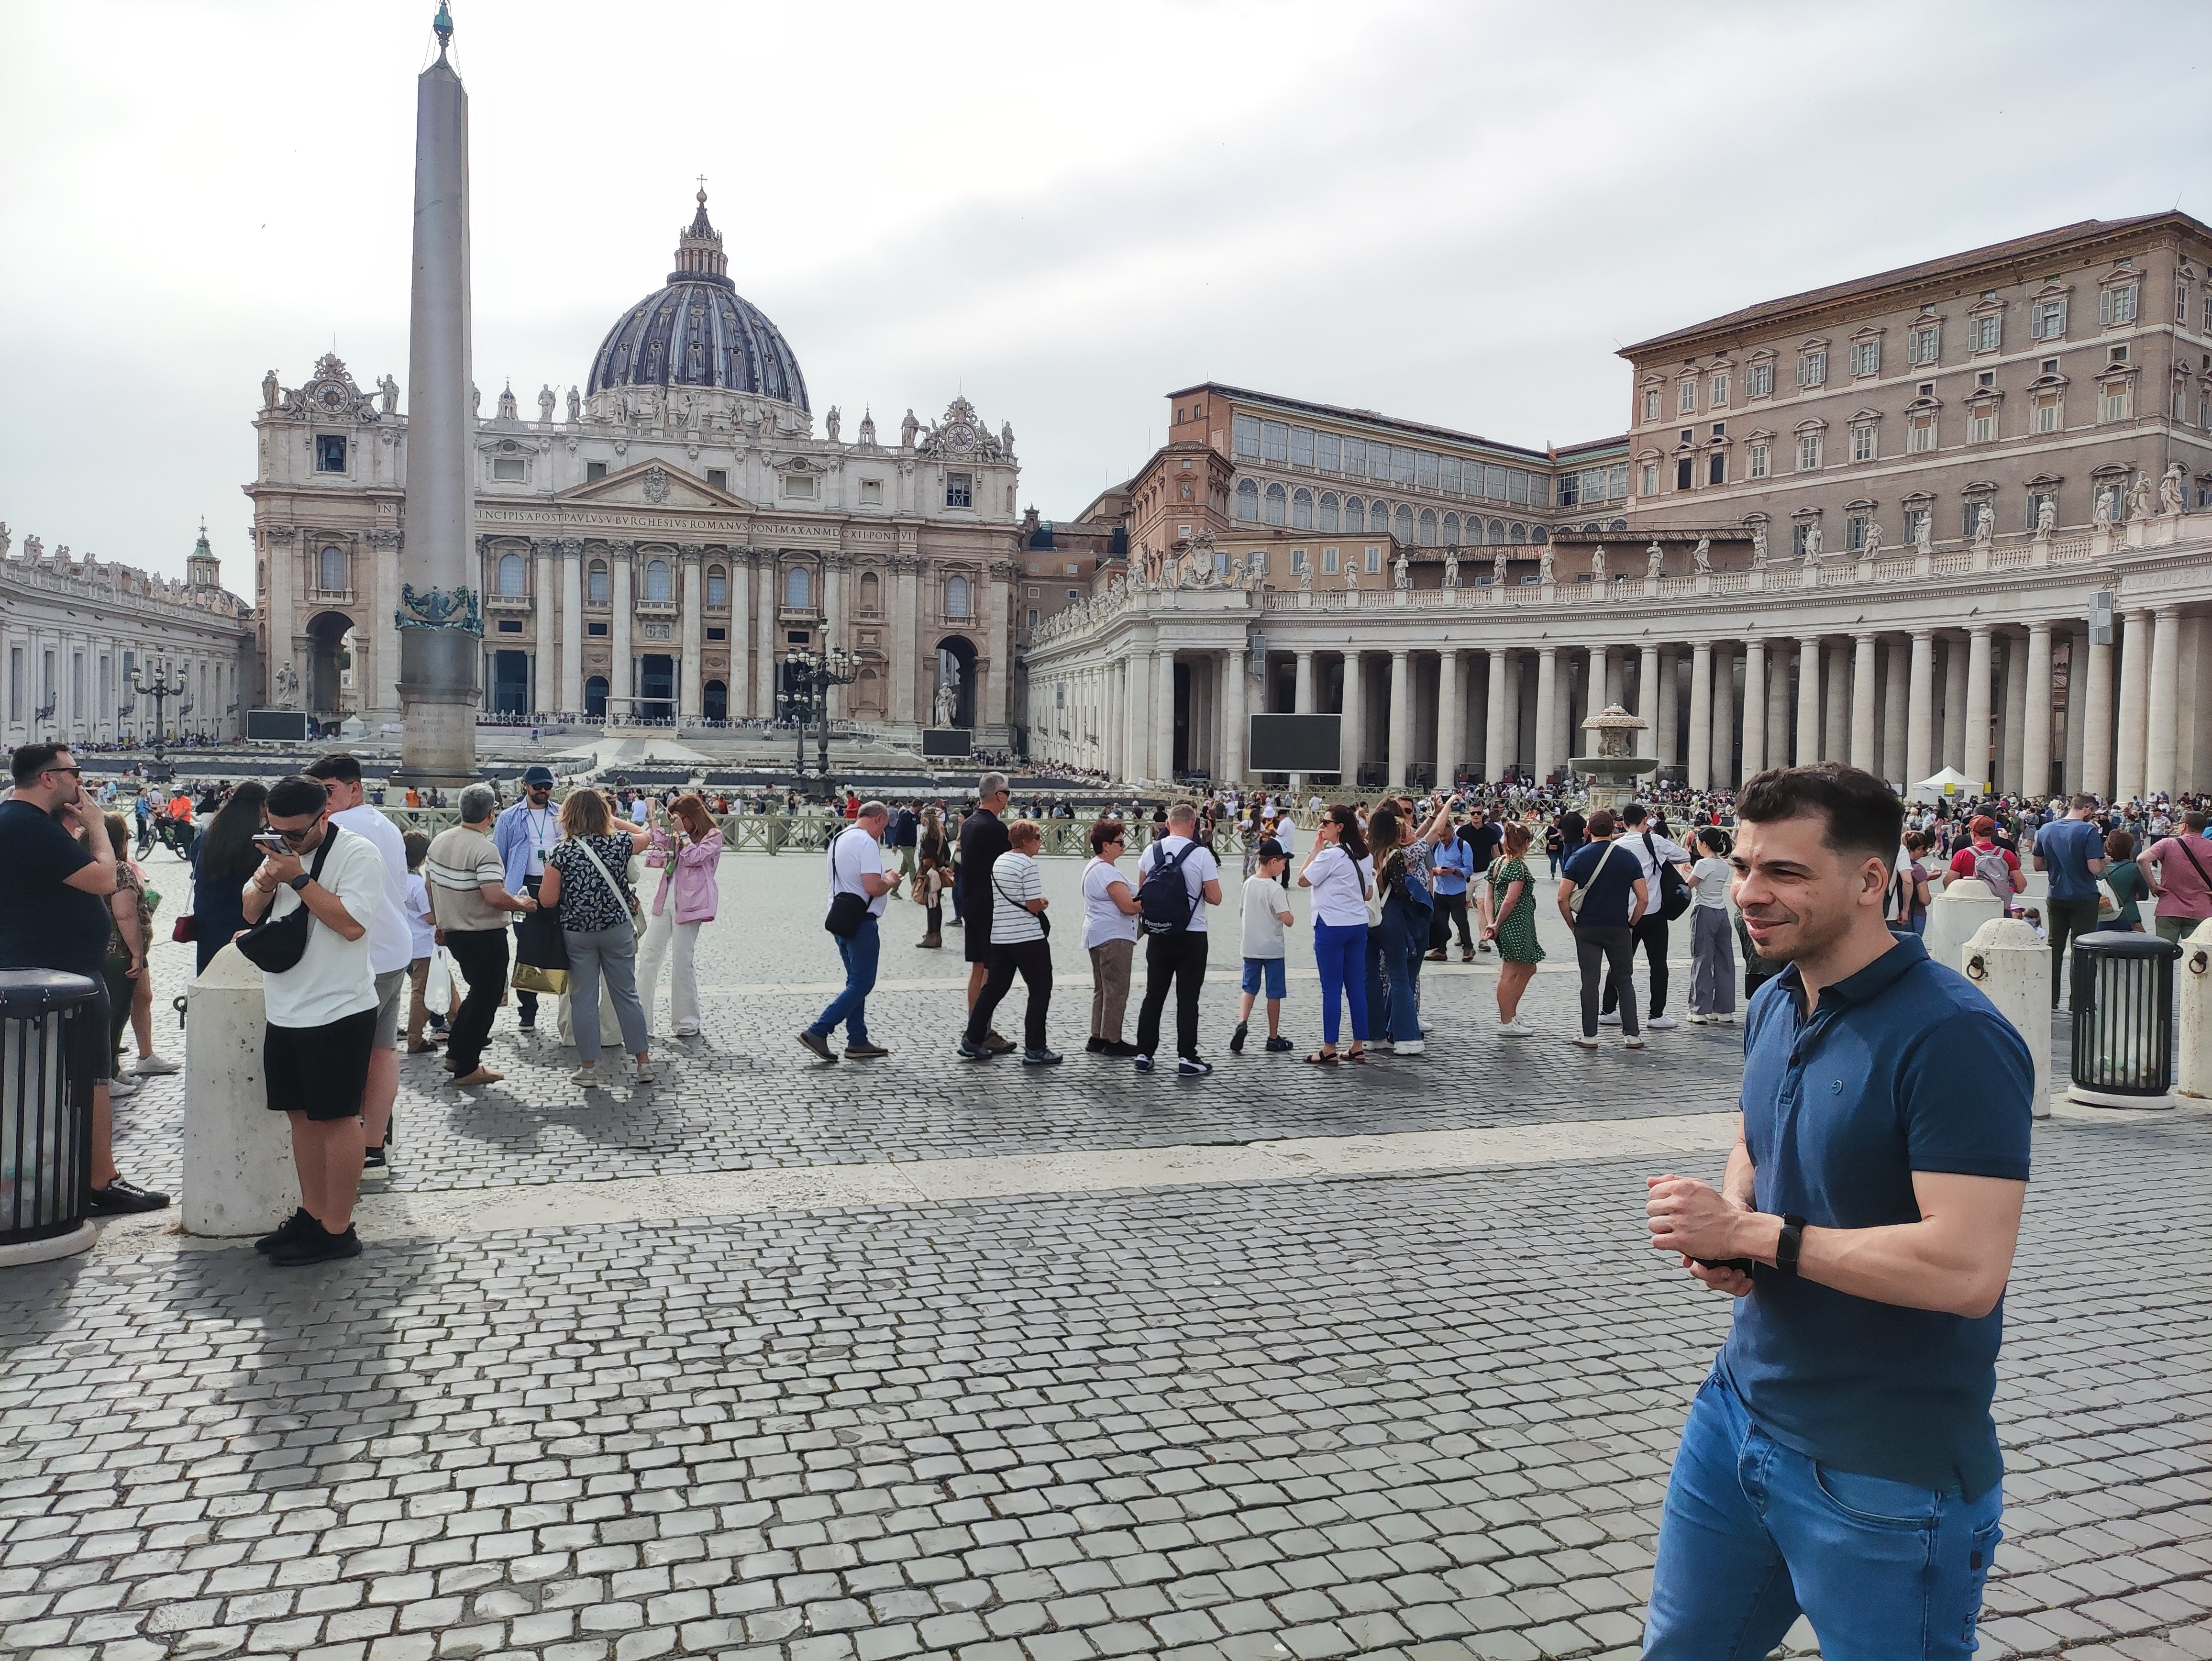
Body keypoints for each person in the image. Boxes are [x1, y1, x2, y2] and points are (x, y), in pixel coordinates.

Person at [1640, 763, 2032, 1660]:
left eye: (1783, 872)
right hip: (1735, 1416)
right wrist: (1734, 1209)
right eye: (1741, 866)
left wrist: (1750, 1234)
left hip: (1882, 1469)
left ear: (1868, 881)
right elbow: (1755, 1129)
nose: (1748, 892)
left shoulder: (1953, 1036)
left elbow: (1966, 1269)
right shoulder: (1775, 999)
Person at [0, 744, 167, 1214]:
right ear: (49, 778)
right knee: (92, 1077)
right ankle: (100, 1180)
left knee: (69, 1077)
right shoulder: (25, 824)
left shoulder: (21, 823)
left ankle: (76, 1174)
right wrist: (96, 826)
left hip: (43, 967)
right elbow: (102, 879)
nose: (82, 782)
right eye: (74, 772)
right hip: (61, 973)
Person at [240, 774, 391, 1264]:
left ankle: (338, 1228)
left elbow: (350, 924)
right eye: (276, 831)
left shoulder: (358, 854)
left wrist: (300, 878)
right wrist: (267, 879)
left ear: (324, 817)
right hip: (285, 1004)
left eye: (297, 834)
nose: (287, 841)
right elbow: (248, 913)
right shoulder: (278, 853)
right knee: (300, 1116)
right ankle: (312, 1213)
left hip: (339, 1005)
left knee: (338, 1117)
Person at [303, 754, 413, 1166]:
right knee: (383, 1051)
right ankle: (373, 1141)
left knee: (348, 1055)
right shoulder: (387, 825)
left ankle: (344, 1140)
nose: (323, 802)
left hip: (359, 953)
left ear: (355, 788)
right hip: (394, 948)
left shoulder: (335, 829)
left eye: (328, 792)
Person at [538, 787, 656, 1087]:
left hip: (578, 932)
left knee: (584, 1000)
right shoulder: (619, 844)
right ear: (604, 815)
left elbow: (548, 900)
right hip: (616, 929)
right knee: (626, 995)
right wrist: (614, 819)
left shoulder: (560, 852)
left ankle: (588, 1069)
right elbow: (646, 835)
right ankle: (643, 1065)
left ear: (568, 816)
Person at [426, 785, 539, 1088]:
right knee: (485, 1000)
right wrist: (523, 904)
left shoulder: (439, 840)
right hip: (482, 933)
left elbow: (430, 887)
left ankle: (456, 1052)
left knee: (477, 994)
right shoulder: (484, 848)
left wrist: (438, 920)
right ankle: (467, 1066)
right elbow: (494, 896)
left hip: (454, 931)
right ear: (491, 814)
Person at [1130, 799, 1224, 1075]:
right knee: (1188, 998)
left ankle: (1144, 1053)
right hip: (1192, 934)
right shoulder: (1202, 854)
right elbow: (1216, 898)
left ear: (1168, 824)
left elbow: (1142, 889)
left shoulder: (1151, 851)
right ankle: (1187, 1057)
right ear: (1194, 824)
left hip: (1158, 932)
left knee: (1153, 995)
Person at [800, 801, 897, 1062]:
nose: (883, 834)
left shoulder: (840, 838)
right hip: (861, 922)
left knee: (854, 982)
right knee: (863, 983)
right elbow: (873, 887)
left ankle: (857, 1040)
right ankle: (819, 1030)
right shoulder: (866, 843)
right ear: (877, 819)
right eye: (884, 827)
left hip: (840, 917)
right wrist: (891, 880)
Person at [961, 819, 1057, 1064]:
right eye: (1037, 838)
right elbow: (1033, 904)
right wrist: (1044, 903)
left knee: (993, 989)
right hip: (1027, 938)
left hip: (1001, 936)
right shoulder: (1028, 865)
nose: (1040, 843)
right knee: (1039, 991)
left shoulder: (1000, 860)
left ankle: (972, 1040)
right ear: (1026, 841)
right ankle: (1036, 1049)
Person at [1365, 797, 1453, 1055]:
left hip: (1366, 918)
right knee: (1400, 976)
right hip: (1391, 916)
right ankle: (1406, 1037)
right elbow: (1435, 833)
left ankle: (1373, 1035)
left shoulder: (1364, 854)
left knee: (1369, 977)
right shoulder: (1399, 855)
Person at [1559, 808, 1649, 1051]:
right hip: (1619, 927)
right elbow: (1643, 898)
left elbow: (1562, 898)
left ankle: (1589, 1036)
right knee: (1624, 981)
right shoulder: (1628, 858)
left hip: (1587, 928)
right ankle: (1632, 1035)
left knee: (1589, 982)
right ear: (1614, 829)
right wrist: (1632, 923)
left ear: (1588, 830)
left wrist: (1573, 925)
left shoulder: (1578, 857)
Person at [636, 794, 723, 1037]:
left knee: (682, 962)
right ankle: (641, 1021)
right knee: (649, 957)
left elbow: (695, 857)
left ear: (692, 816)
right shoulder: (677, 836)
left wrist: (682, 836)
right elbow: (658, 841)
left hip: (692, 904)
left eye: (679, 819)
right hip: (666, 900)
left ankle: (687, 1019)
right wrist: (652, 813)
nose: (675, 824)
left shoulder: (714, 836)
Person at [1600, 803, 1688, 1031]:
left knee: (1619, 963)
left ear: (1623, 822)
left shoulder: (1615, 846)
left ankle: (1608, 1010)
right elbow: (1684, 855)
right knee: (1658, 964)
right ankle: (1656, 1014)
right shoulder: (1654, 841)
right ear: (1644, 821)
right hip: (1653, 912)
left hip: (1625, 914)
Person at [1297, 804, 1372, 1064]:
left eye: (1325, 822)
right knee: (1356, 988)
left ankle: (1329, 1048)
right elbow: (1368, 893)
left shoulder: (1329, 856)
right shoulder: (1365, 855)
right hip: (1358, 924)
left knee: (1331, 989)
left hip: (1331, 924)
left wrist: (1315, 850)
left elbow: (1302, 880)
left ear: (1339, 827)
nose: (1322, 826)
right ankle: (1358, 1046)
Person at [493, 764, 562, 1031]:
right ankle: (528, 1010)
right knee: (527, 948)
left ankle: (566, 1009)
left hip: (556, 885)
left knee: (563, 943)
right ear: (526, 786)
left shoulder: (561, 814)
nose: (544, 791)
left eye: (548, 787)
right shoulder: (509, 817)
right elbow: (500, 856)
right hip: (523, 888)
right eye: (538, 787)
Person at [957, 773, 1016, 1054]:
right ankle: (981, 1031)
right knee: (990, 973)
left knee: (978, 967)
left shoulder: (969, 824)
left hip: (972, 904)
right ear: (999, 796)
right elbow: (1007, 870)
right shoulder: (995, 829)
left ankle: (975, 1025)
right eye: (1008, 792)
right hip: (991, 908)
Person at [187, 781, 268, 975]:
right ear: (260, 806)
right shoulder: (258, 841)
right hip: (242, 912)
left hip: (208, 910)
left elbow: (195, 861)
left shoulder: (210, 835)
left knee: (210, 969)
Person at [97, 814, 152, 1100]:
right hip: (118, 951)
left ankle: (113, 1070)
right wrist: (137, 952)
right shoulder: (119, 869)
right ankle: (104, 1076)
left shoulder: (88, 864)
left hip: (95, 950)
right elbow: (126, 913)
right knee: (114, 1017)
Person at [1080, 819, 1141, 1056]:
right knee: (1116, 990)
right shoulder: (1107, 871)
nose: (1123, 846)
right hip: (1114, 936)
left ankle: (1097, 1036)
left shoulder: (1094, 867)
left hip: (1097, 934)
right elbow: (1128, 907)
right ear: (1106, 845)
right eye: (1119, 842)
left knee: (1103, 989)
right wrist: (1153, 901)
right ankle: (1112, 1040)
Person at [1231, 839, 1296, 1055]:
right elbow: (1288, 920)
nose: (1285, 867)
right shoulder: (1275, 888)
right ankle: (1273, 1036)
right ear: (1274, 862)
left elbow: (1241, 912)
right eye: (1284, 863)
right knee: (1274, 992)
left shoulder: (1248, 883)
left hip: (1250, 945)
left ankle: (1242, 1021)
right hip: (1273, 948)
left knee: (1249, 987)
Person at [1479, 821, 1543, 1035]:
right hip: (1514, 924)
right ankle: (1506, 1020)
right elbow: (1510, 900)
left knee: (1526, 968)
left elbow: (1488, 896)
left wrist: (1491, 921)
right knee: (1510, 972)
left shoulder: (1497, 863)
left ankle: (1511, 1013)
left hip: (1505, 924)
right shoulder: (1518, 867)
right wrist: (1496, 924)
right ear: (1526, 843)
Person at [1683, 827, 1738, 1024]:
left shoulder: (1702, 864)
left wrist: (1683, 872)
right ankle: (1724, 1010)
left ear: (1704, 844)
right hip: (1722, 913)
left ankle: (1698, 1010)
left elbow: (1687, 887)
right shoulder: (1723, 865)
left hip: (1704, 912)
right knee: (1724, 960)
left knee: (1702, 959)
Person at [2143, 808, 2212, 946]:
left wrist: (2153, 886)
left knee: (2164, 956)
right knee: (2197, 958)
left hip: (2169, 907)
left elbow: (2142, 859)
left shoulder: (2168, 844)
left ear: (2184, 826)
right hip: (2201, 909)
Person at [399, 830, 440, 1061]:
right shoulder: (418, 884)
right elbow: (429, 917)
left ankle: (460, 1023)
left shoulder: (395, 879)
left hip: (404, 942)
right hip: (423, 943)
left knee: (447, 985)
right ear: (423, 859)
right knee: (421, 991)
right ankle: (415, 1038)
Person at [1947, 813, 2022, 919]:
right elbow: (2021, 886)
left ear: (1973, 833)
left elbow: (1948, 884)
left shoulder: (1962, 855)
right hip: (1999, 909)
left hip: (1971, 910)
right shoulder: (2006, 854)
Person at [1424, 816, 1477, 962]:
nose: (1442, 839)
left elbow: (1469, 870)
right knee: (1440, 921)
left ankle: (1468, 947)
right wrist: (1435, 871)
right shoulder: (1436, 846)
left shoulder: (1463, 846)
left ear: (1452, 832)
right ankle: (1441, 950)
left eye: (1445, 836)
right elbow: (1430, 866)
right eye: (1440, 836)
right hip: (1440, 890)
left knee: (1460, 920)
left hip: (1457, 891)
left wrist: (1453, 871)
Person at [916, 806, 953, 949]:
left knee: (930, 903)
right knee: (936, 903)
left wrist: (939, 865)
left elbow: (931, 854)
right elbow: (947, 853)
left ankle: (932, 935)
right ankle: (936, 935)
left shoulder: (927, 837)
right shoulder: (941, 834)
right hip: (937, 871)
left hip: (929, 870)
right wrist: (944, 866)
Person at [2100, 829, 2147, 932]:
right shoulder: (2134, 869)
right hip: (2128, 915)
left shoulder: (2098, 868)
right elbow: (2144, 895)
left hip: (2101, 915)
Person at [1892, 830, 1935, 937]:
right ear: (1919, 848)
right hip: (1913, 915)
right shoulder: (1918, 869)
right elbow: (1925, 900)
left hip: (1893, 913)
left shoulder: (1895, 863)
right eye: (1923, 851)